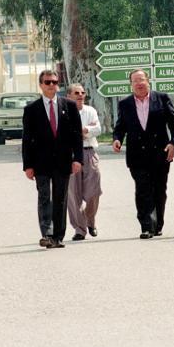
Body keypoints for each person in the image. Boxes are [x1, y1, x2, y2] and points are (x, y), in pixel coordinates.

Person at [112, 69, 174, 239]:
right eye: (135, 81)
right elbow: (120, 127)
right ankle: (146, 225)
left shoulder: (162, 98)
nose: (139, 83)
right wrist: (117, 139)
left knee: (159, 190)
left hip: (160, 153)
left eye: (141, 80)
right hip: (137, 155)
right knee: (143, 189)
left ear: (148, 81)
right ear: (131, 85)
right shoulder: (125, 104)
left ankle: (158, 224)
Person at [22, 70, 83, 249]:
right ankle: (47, 233)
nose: (51, 85)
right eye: (47, 82)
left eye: (54, 82)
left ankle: (57, 236)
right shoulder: (32, 109)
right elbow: (27, 139)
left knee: (60, 198)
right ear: (41, 85)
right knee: (44, 197)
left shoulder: (69, 106)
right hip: (41, 162)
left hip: (64, 161)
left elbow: (76, 136)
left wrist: (77, 159)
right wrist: (28, 165)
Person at [66, 83, 103, 241]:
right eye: (76, 93)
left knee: (94, 192)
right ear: (69, 96)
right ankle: (80, 229)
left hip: (89, 153)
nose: (80, 95)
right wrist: (86, 130)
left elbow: (98, 130)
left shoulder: (90, 111)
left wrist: (84, 130)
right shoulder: (64, 111)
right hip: (71, 154)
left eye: (82, 92)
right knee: (73, 194)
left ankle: (90, 220)